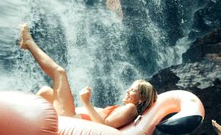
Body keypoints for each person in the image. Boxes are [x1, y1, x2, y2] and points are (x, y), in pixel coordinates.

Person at [19, 24, 157, 129]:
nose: (127, 91)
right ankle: (24, 124)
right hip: (74, 117)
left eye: (133, 90)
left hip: (72, 120)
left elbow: (104, 126)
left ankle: (29, 43)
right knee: (45, 92)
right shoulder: (126, 108)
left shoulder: (131, 108)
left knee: (59, 72)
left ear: (141, 99)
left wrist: (86, 102)